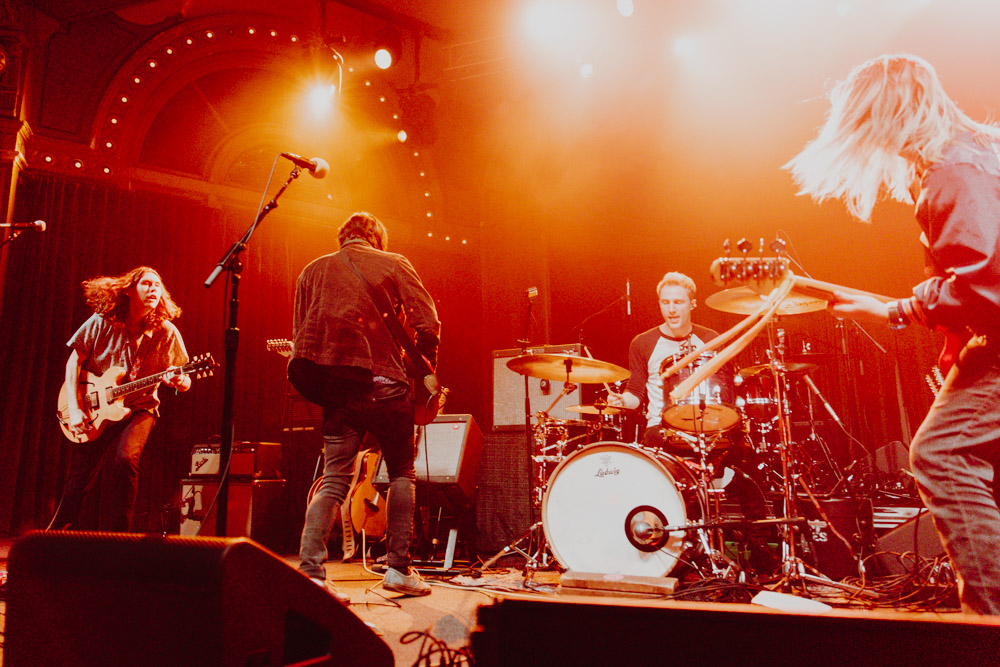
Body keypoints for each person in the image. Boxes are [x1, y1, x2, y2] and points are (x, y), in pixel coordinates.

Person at [784, 53, 1000, 615]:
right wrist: (893, 307)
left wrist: (901, 308)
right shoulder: (978, 152)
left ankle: (989, 628)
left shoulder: (954, 167)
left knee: (940, 454)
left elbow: (984, 287)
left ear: (889, 113)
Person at [291, 211, 441, 602]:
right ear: (376, 236)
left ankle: (310, 575)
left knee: (334, 481)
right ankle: (397, 569)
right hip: (386, 383)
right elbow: (428, 320)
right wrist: (427, 369)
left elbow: (301, 341)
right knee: (403, 473)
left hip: (338, 388)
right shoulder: (393, 262)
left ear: (343, 237)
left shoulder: (311, 271)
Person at [608, 272, 775, 576]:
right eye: (666, 302)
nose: (672, 309)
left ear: (692, 304)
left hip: (708, 426)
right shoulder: (643, 343)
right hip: (662, 428)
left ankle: (759, 547)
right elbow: (635, 393)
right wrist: (622, 402)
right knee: (656, 469)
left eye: (678, 302)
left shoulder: (710, 338)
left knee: (748, 463)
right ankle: (671, 551)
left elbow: (725, 389)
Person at [49, 267, 190, 532]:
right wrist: (76, 408)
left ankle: (119, 538)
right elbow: (74, 361)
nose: (154, 289)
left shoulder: (166, 332)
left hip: (140, 408)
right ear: (128, 290)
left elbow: (184, 379)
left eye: (158, 286)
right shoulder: (103, 320)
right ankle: (59, 537)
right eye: (147, 284)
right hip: (94, 405)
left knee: (125, 461)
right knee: (79, 478)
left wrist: (180, 381)